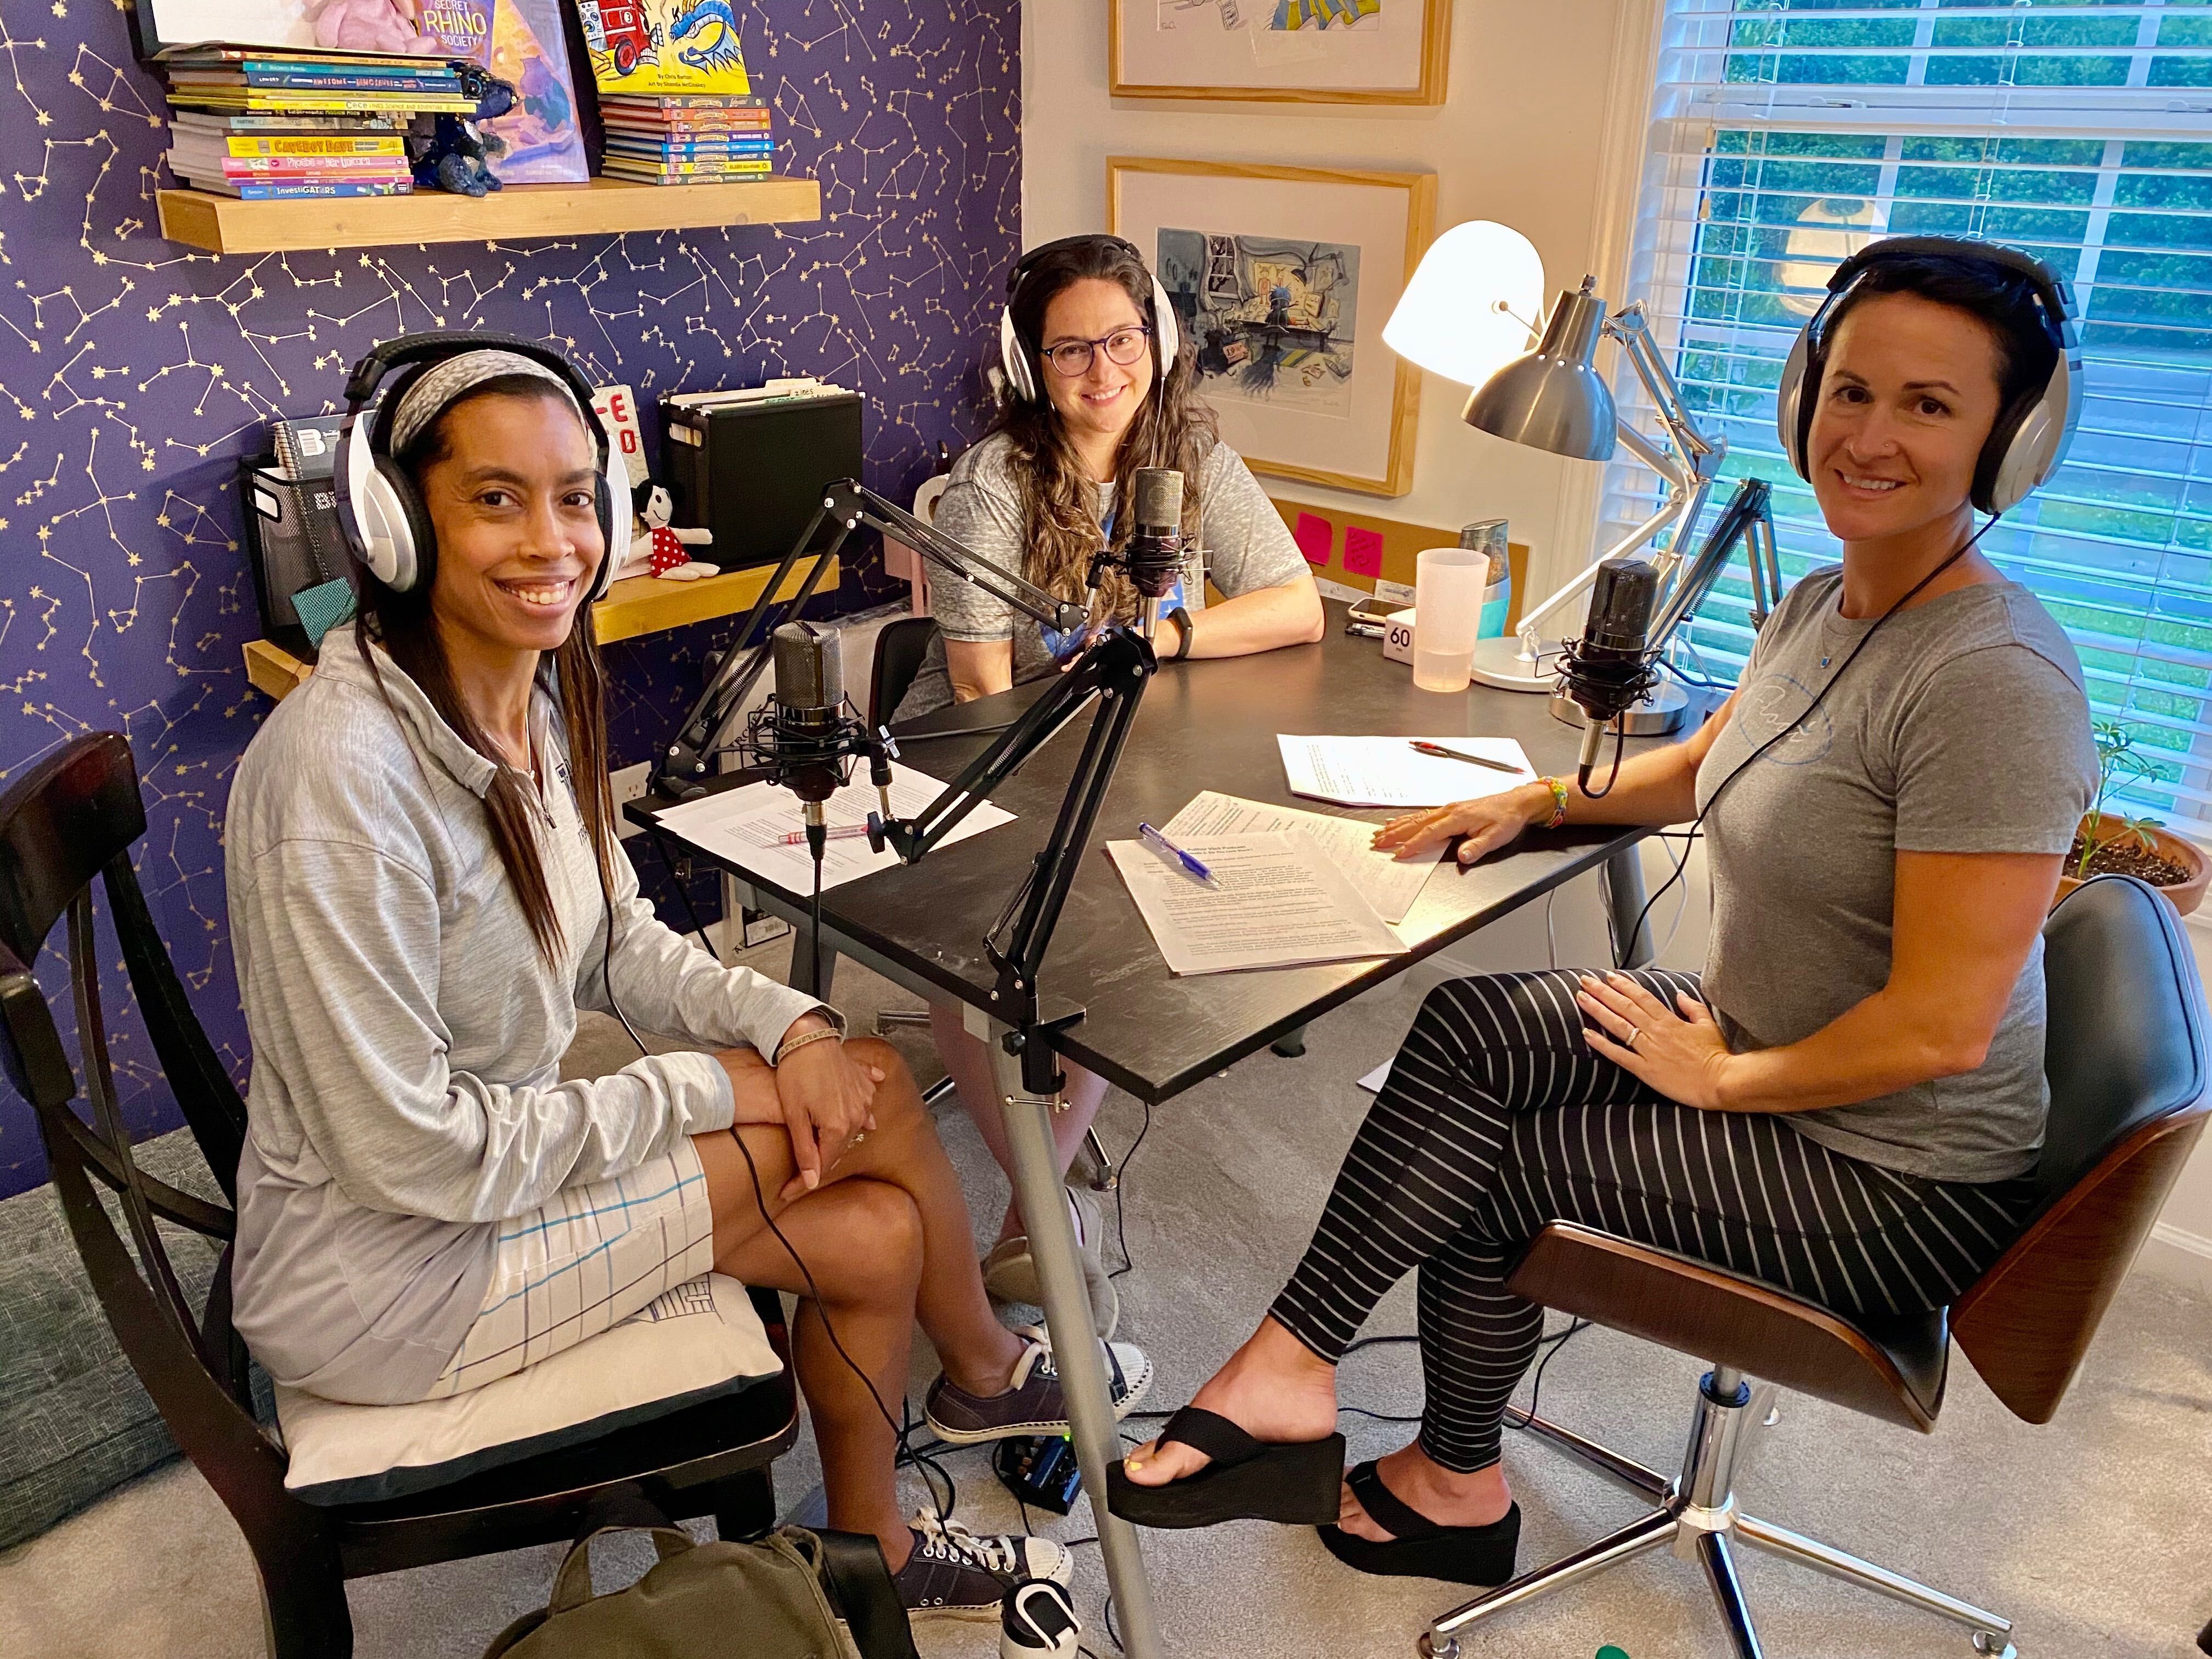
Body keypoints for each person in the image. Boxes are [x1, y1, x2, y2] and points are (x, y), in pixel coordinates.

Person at [1115, 240, 2097, 1587]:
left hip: (1897, 1173)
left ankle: (1423, 1469)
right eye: (1850, 389)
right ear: (1804, 391)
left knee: (1500, 1166)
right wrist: (1538, 804)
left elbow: (1941, 1027)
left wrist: (1728, 1076)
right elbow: (1707, 765)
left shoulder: (1996, 681)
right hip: (1773, 1056)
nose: (1866, 436)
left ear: (2013, 441)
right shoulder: (1827, 601)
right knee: (1467, 1036)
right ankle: (1323, 1388)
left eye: (1930, 406)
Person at [224, 342, 1150, 1621]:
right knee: (875, 1095)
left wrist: (793, 1020)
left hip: (483, 1202)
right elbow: (413, 1158)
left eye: (573, 497)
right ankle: (981, 1377)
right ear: (394, 526)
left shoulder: (522, 697)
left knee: (874, 1218)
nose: (553, 539)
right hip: (395, 1274)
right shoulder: (340, 782)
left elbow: (616, 939)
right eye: (496, 498)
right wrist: (712, 1089)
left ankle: (864, 1562)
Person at [894, 234, 1327, 1335]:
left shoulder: (1192, 458)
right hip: (980, 749)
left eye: (1122, 340)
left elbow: (1294, 604)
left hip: (1125, 737)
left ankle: (1034, 1215)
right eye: (1071, 349)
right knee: (977, 955)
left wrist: (1169, 643)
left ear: (1160, 341)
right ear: (1030, 362)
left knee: (1117, 937)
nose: (1101, 371)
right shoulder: (995, 482)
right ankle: (1045, 1218)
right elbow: (980, 683)